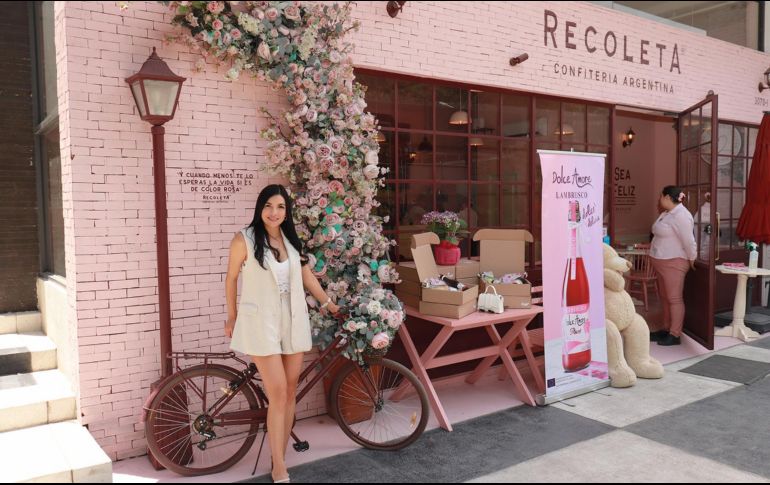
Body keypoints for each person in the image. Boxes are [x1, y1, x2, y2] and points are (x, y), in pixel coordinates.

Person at [225, 184, 340, 483]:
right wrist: (232, 316)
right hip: (260, 320)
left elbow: (305, 276)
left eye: (280, 207)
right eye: (268, 206)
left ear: (286, 212)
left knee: (289, 393)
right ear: (259, 208)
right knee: (277, 392)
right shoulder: (244, 239)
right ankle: (278, 465)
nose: (274, 213)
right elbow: (231, 278)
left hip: (292, 318)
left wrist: (329, 304)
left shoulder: (290, 240)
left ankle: (281, 452)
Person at [649, 185, 697, 346]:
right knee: (664, 297)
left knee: (674, 298)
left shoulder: (682, 216)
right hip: (661, 261)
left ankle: (675, 334)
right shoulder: (666, 214)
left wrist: (692, 258)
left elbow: (689, 241)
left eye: (661, 196)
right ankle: (665, 328)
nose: (659, 199)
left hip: (673, 262)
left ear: (668, 197)